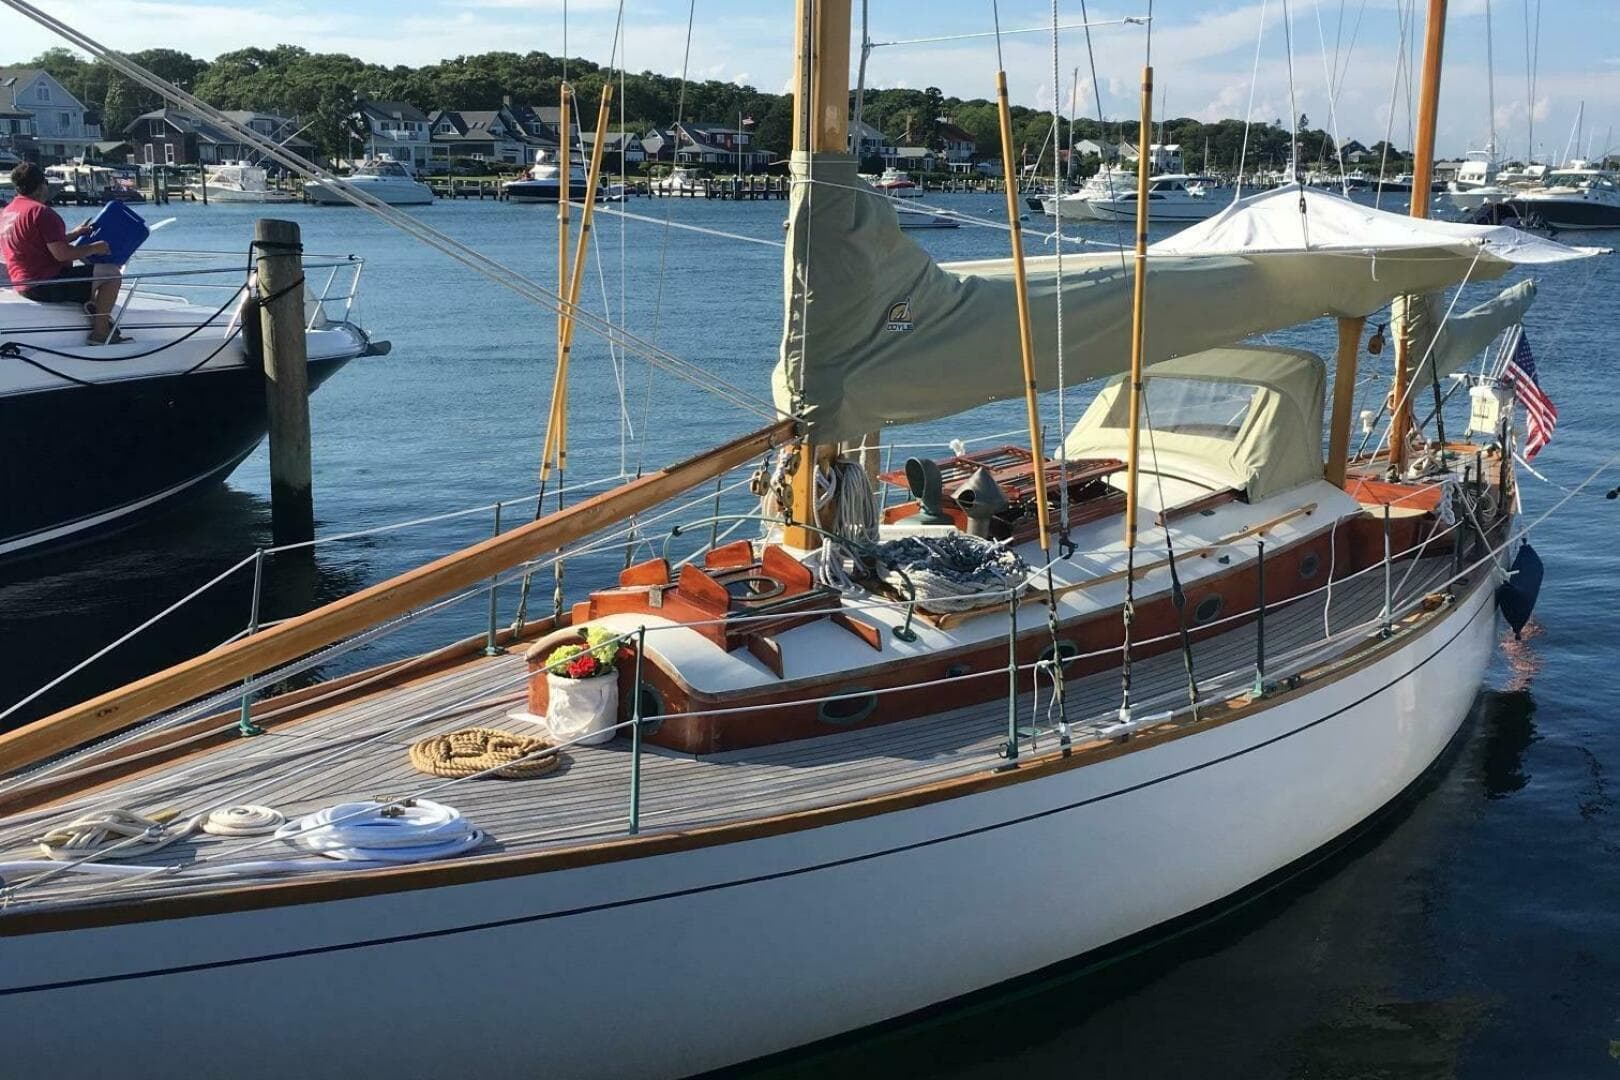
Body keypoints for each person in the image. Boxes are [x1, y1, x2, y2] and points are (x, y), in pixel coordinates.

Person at [0, 161, 125, 344]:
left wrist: (75, 234)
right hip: (45, 285)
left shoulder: (8, 212)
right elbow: (62, 255)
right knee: (112, 274)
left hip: (23, 284)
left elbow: (37, 243)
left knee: (91, 274)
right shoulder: (41, 212)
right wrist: (95, 247)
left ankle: (92, 304)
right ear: (41, 185)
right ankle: (100, 333)